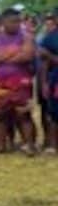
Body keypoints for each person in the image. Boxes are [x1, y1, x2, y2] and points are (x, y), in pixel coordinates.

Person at [0, 8, 37, 154]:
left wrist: (1, 56)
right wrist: (13, 53)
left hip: (21, 81)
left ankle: (29, 145)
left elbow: (27, 56)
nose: (16, 24)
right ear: (3, 22)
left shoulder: (26, 37)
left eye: (18, 21)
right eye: (12, 21)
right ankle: (1, 146)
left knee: (23, 114)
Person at [39, 11, 58, 154]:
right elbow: (44, 62)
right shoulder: (50, 38)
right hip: (55, 80)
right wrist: (44, 82)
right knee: (54, 113)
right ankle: (53, 145)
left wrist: (51, 56)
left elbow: (47, 56)